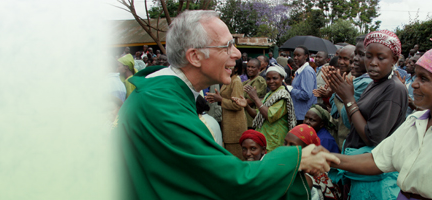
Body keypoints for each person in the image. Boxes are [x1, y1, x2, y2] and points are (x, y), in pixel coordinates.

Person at [118, 10, 339, 199]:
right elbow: (228, 180)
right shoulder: (160, 103)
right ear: (195, 56)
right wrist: (296, 158)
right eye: (227, 46)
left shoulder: (166, 93)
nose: (237, 53)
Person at [330, 39, 432, 200]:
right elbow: (377, 159)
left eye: (424, 79)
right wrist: (327, 158)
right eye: (416, 77)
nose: (414, 84)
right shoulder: (415, 121)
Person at [324, 30, 410, 200]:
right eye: (368, 56)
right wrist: (344, 95)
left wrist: (349, 99)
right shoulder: (375, 84)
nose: (373, 63)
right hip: (361, 175)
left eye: (381, 57)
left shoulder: (393, 89)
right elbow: (352, 122)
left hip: (375, 182)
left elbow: (373, 137)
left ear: (394, 60)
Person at [285, 124, 343, 200]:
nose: (286, 148)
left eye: (292, 145)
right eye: (285, 143)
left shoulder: (309, 181)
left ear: (308, 149)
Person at [244, 67, 296, 151]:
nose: (271, 81)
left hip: (274, 140)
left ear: (282, 79)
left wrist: (255, 98)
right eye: (268, 79)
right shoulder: (270, 94)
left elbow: (269, 115)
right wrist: (246, 105)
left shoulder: (282, 95)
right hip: (265, 138)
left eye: (274, 78)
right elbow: (257, 114)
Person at [204, 70, 249, 159]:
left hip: (235, 127)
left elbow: (237, 105)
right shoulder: (228, 80)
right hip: (229, 125)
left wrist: (221, 100)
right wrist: (217, 98)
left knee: (236, 157)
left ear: (235, 68)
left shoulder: (235, 81)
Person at [327, 45, 356, 148]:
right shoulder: (342, 77)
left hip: (348, 134)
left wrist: (339, 93)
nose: (341, 62)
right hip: (339, 129)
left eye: (346, 59)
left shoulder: (354, 80)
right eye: (340, 58)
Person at [291, 46, 317, 125]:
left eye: (298, 55)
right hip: (299, 114)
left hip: (303, 116)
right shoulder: (300, 71)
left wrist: (291, 90)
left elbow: (306, 94)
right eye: (294, 55)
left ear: (306, 56)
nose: (295, 58)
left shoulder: (307, 71)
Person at [242, 58, 267, 129]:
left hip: (251, 118)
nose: (250, 69)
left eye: (253, 67)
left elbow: (252, 100)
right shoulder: (247, 81)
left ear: (259, 69)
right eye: (248, 67)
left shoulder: (259, 80)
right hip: (244, 117)